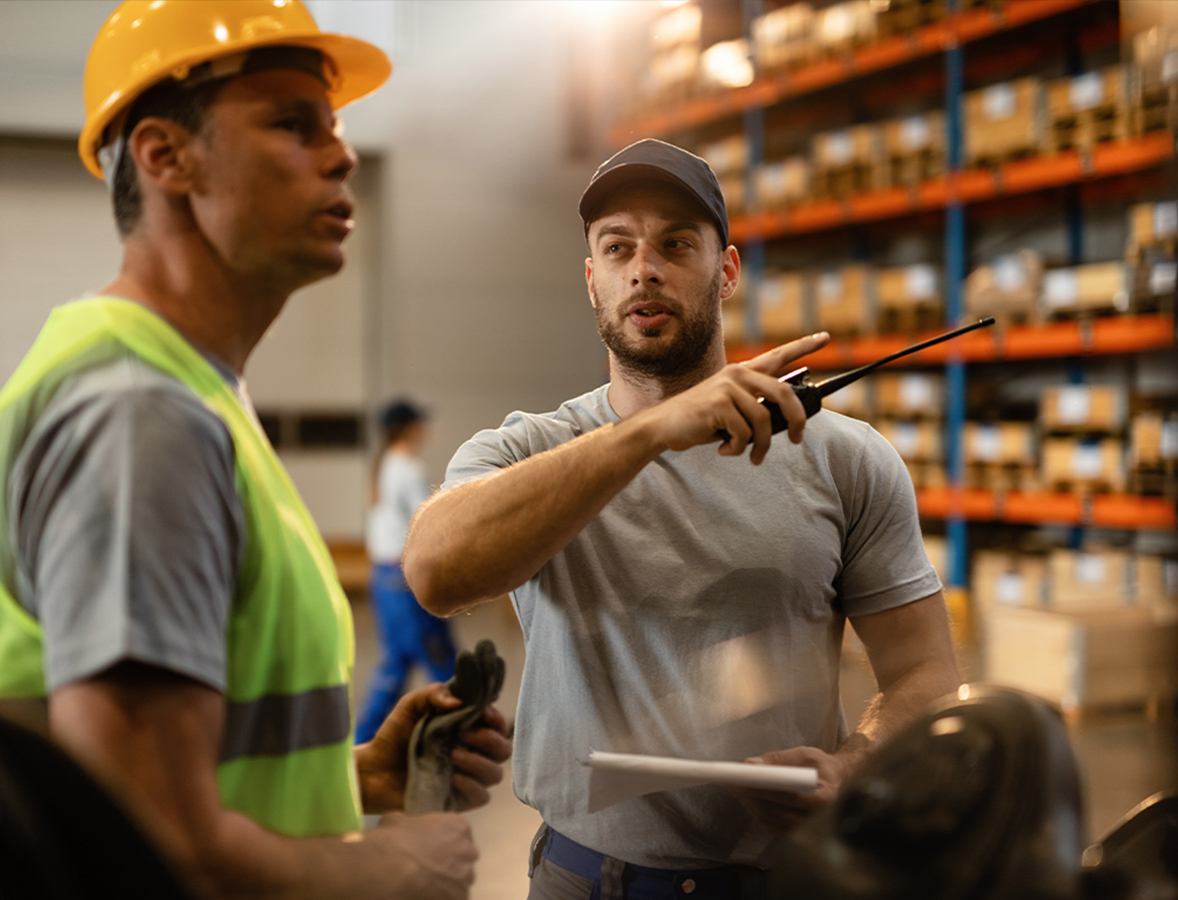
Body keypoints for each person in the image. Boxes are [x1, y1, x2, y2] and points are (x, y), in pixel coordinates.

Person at [0, 3, 510, 899]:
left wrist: (356, 776)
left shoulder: (190, 393)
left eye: (334, 127)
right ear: (165, 156)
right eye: (291, 124)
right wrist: (386, 867)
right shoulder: (139, 417)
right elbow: (151, 846)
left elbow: (180, 776)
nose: (341, 154)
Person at [402, 138, 961, 899]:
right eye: (618, 246)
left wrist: (853, 765)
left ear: (725, 270)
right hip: (581, 878)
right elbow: (435, 572)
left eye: (676, 243)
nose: (645, 267)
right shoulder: (524, 453)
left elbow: (926, 671)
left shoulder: (847, 460)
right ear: (591, 277)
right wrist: (649, 433)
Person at [356, 399, 458, 743]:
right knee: (440, 661)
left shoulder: (384, 464)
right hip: (404, 579)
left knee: (397, 663)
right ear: (409, 427)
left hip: (384, 577)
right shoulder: (408, 468)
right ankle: (463, 730)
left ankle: (364, 739)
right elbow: (425, 525)